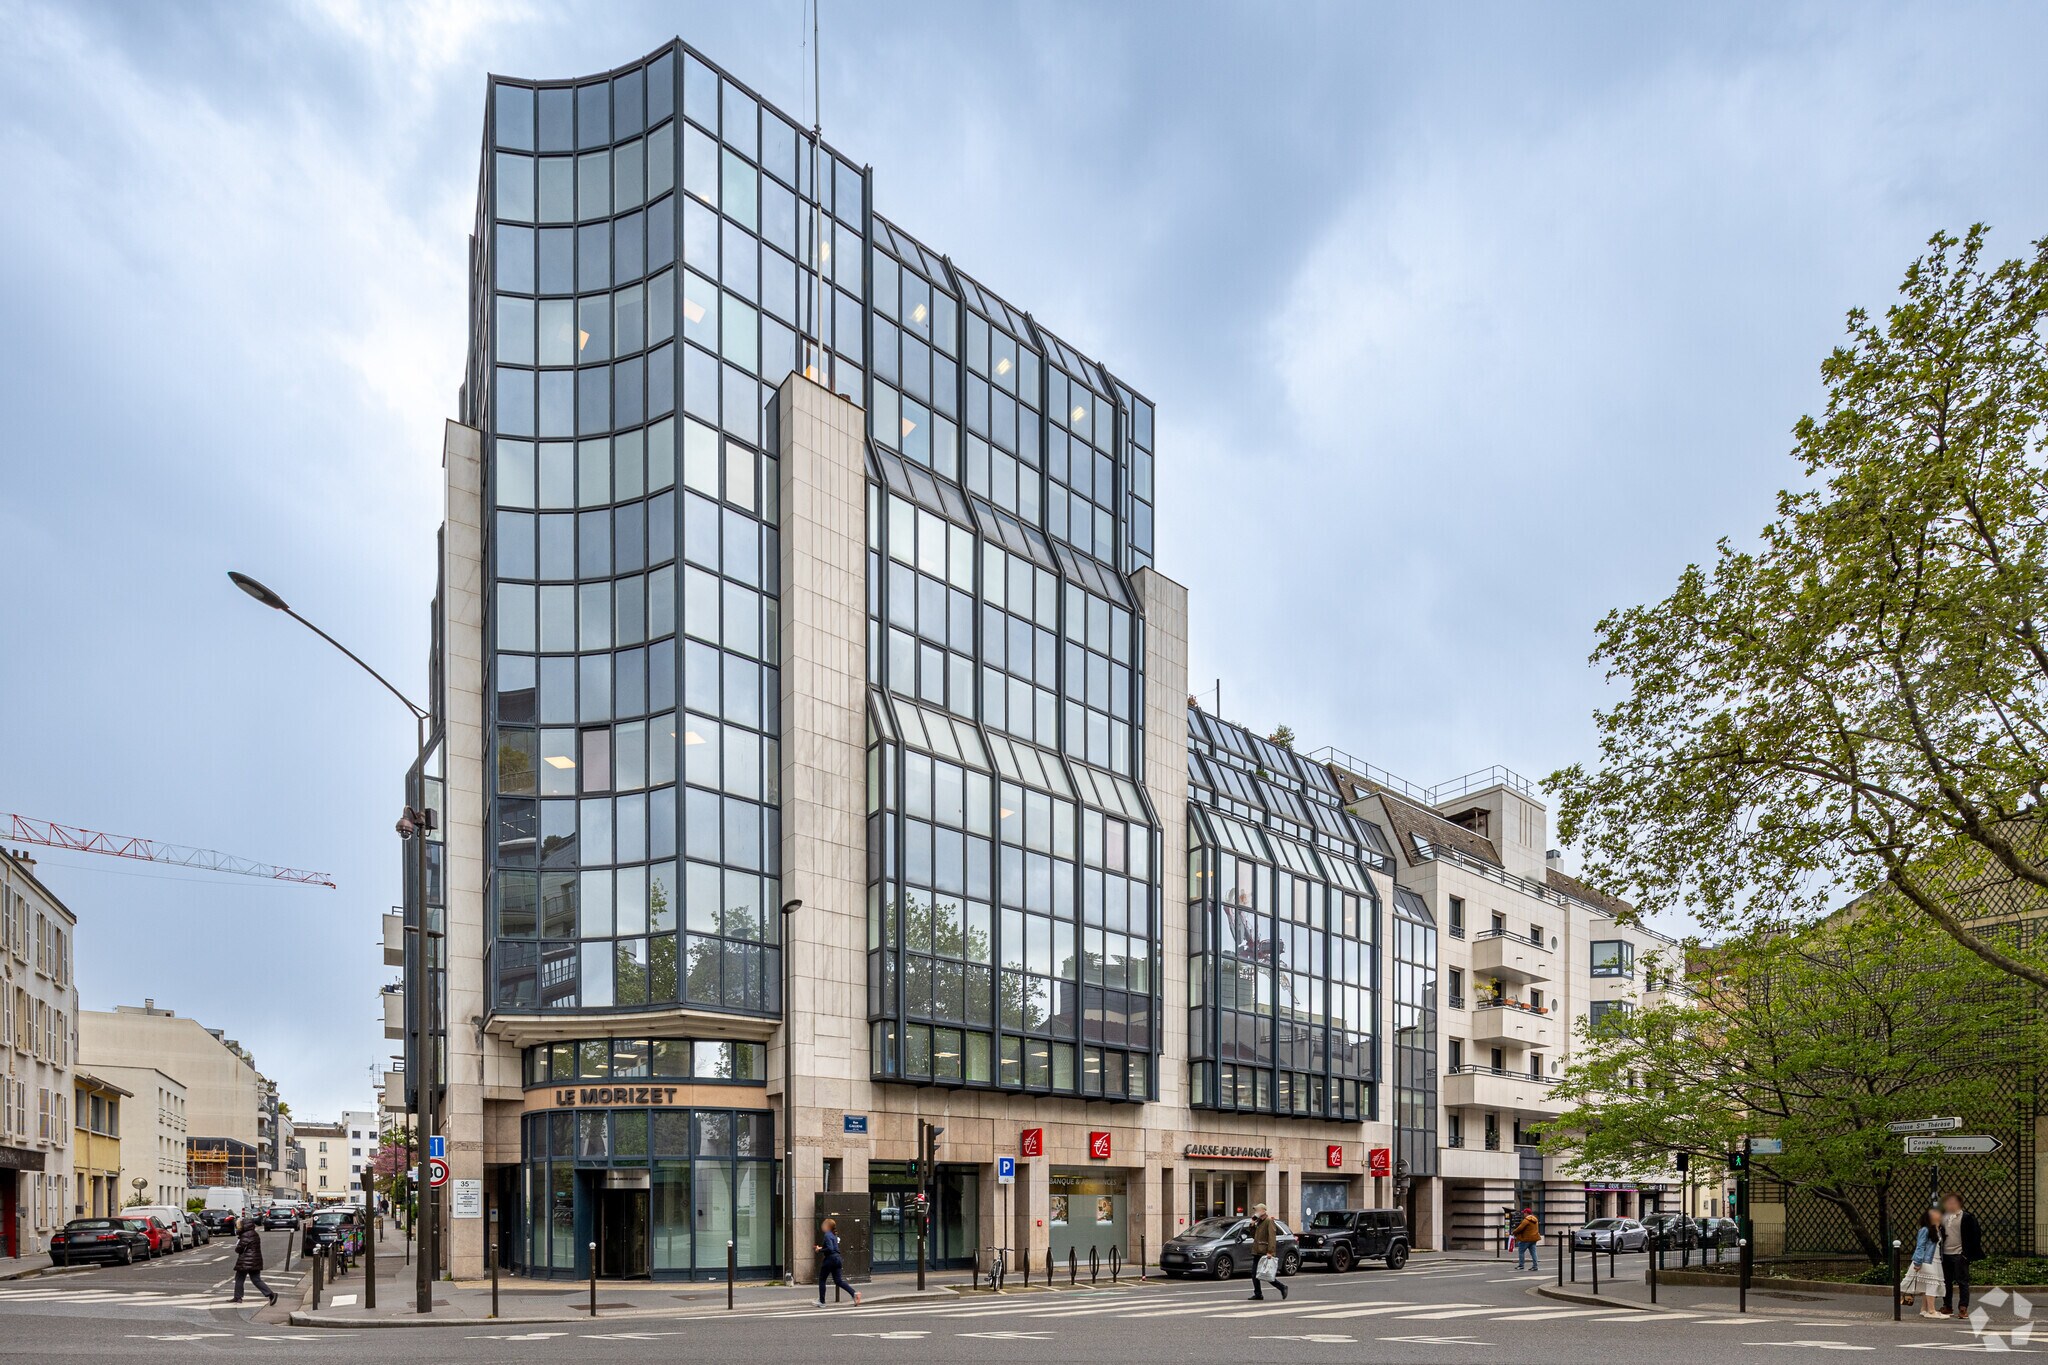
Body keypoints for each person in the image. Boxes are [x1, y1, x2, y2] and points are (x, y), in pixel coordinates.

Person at [1940, 1193, 1984, 1317]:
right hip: (1945, 1254)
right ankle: (1947, 1306)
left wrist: (1966, 1254)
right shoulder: (1943, 1217)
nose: (1950, 1205)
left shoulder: (1967, 1217)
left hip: (1960, 1253)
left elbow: (1975, 1235)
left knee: (1962, 1281)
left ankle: (1963, 1307)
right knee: (1946, 1282)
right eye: (1948, 1202)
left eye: (1953, 1202)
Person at [1903, 1207, 1949, 1319]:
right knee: (1932, 1284)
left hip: (1935, 1260)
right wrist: (1918, 1262)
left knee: (1926, 1285)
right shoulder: (1925, 1229)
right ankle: (1932, 1311)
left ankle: (1924, 1309)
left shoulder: (1937, 1229)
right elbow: (1920, 1246)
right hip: (1927, 1261)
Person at [230, 1217, 279, 1307]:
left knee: (240, 1278)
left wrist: (238, 1243)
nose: (238, 1227)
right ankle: (271, 1294)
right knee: (256, 1279)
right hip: (256, 1260)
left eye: (239, 1226)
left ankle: (238, 1297)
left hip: (245, 1260)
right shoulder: (254, 1234)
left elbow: (239, 1249)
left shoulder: (245, 1235)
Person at [814, 1216, 859, 1307]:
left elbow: (830, 1249)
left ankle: (822, 1301)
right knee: (838, 1281)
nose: (822, 1226)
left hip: (830, 1259)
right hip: (837, 1259)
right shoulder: (834, 1235)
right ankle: (854, 1293)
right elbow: (833, 1248)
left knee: (822, 1279)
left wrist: (820, 1250)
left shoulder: (827, 1235)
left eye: (824, 1224)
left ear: (827, 1226)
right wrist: (822, 1248)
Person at [1248, 1204, 1288, 1301]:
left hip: (1264, 1252)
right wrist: (1252, 1225)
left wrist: (1270, 1252)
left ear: (1263, 1211)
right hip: (1257, 1251)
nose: (1255, 1212)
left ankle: (1282, 1287)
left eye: (1257, 1210)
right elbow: (1254, 1236)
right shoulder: (1259, 1222)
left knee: (1266, 1274)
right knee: (1254, 1274)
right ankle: (1258, 1294)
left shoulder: (1269, 1221)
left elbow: (1272, 1238)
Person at [1513, 1206, 1541, 1271]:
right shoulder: (1535, 1219)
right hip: (1534, 1238)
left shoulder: (1526, 1220)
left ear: (1526, 1213)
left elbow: (1520, 1228)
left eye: (1524, 1213)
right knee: (1533, 1252)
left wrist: (1514, 1232)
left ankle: (1521, 1265)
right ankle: (1535, 1266)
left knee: (1521, 1252)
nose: (1523, 1214)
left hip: (1526, 1239)